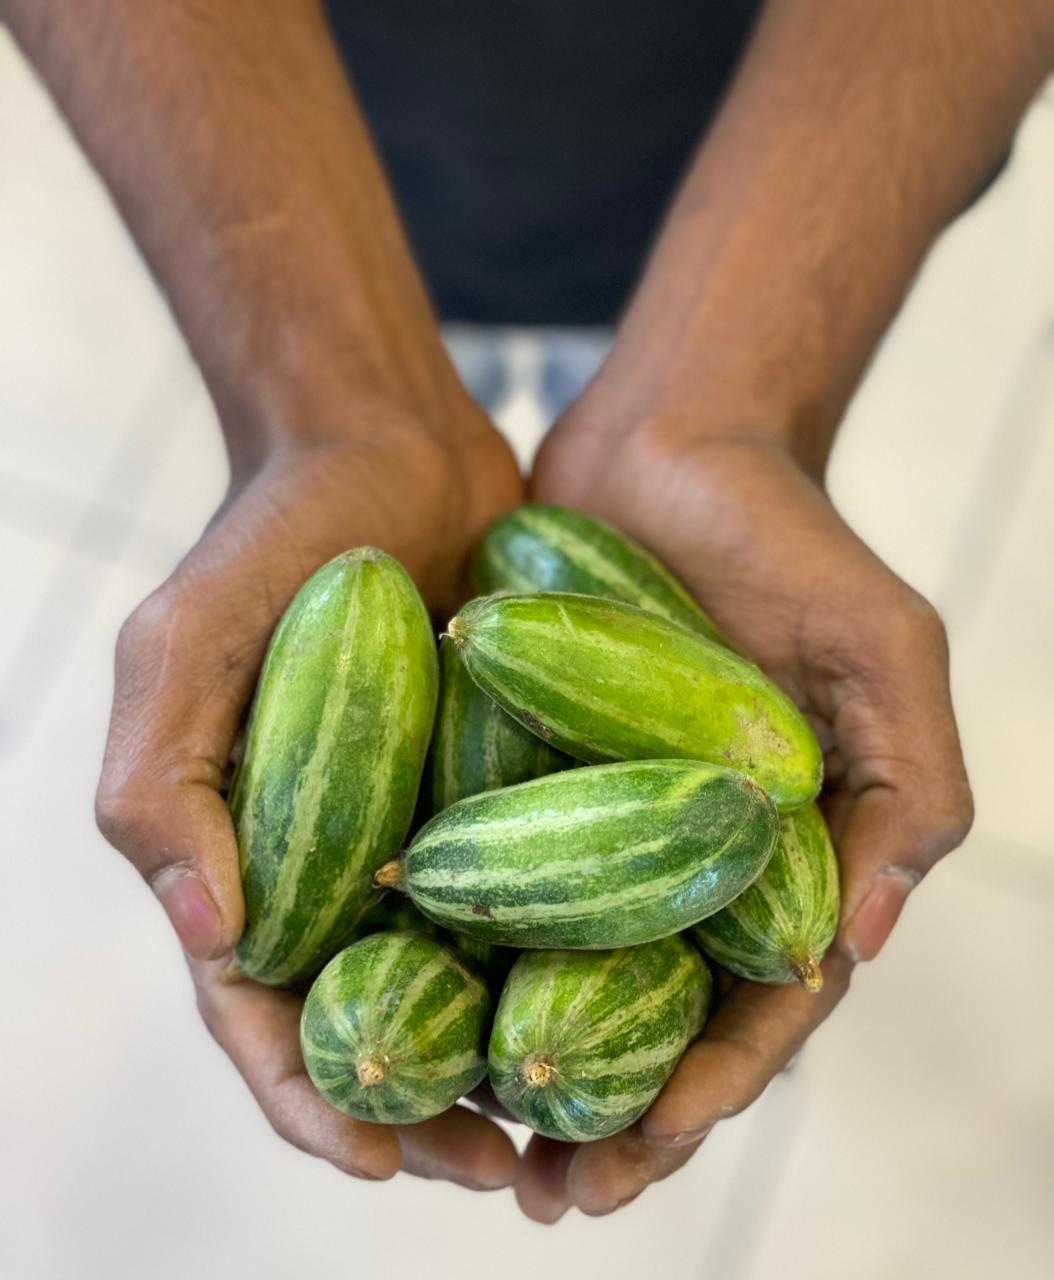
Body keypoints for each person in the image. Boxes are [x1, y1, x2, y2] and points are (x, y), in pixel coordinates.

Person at [5, 0, 1048, 1224]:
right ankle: (540, 392)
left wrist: (717, 407)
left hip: (788, 152)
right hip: (294, 137)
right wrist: (335, 401)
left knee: (580, 409)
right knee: (497, 384)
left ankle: (606, 392)